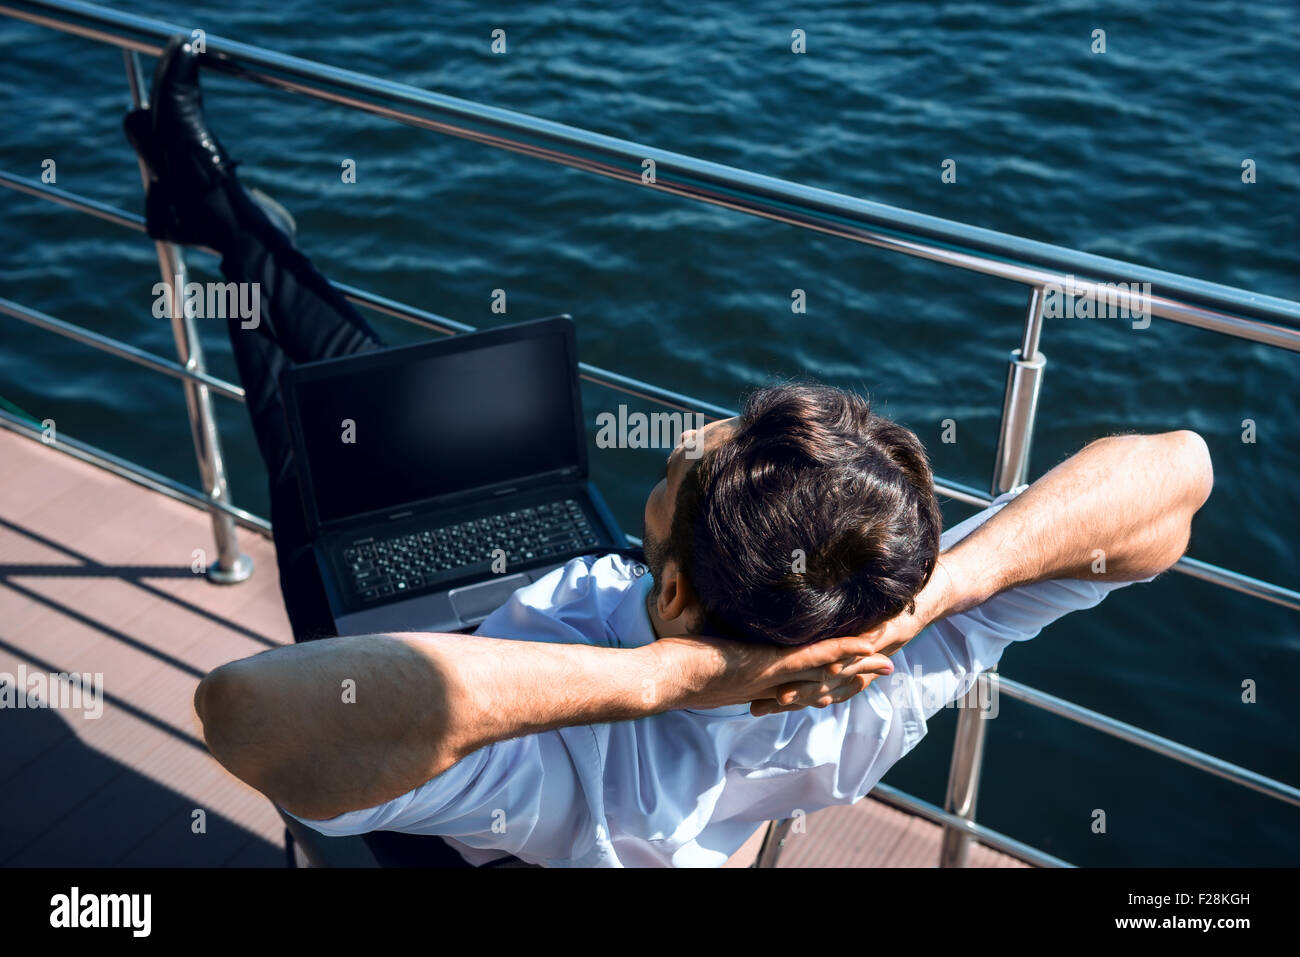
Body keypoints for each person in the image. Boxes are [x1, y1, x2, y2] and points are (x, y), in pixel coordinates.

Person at [134, 37, 1214, 866]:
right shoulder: (883, 663)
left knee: (306, 424)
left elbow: (247, 712)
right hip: (597, 619)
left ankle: (216, 210)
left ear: (682, 596)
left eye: (681, 479)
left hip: (435, 682)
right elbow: (1179, 469)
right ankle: (216, 207)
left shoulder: (586, 780)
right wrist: (931, 599)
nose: (691, 439)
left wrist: (664, 680)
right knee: (360, 382)